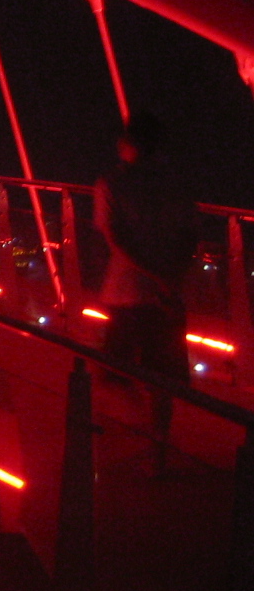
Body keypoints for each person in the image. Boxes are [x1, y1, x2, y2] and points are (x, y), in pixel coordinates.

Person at [94, 111, 198, 387]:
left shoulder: (111, 184)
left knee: (115, 377)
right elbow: (190, 234)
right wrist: (171, 276)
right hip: (168, 295)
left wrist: (154, 275)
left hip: (126, 293)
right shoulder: (178, 185)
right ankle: (160, 429)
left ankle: (133, 424)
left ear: (129, 144)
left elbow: (116, 239)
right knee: (166, 380)